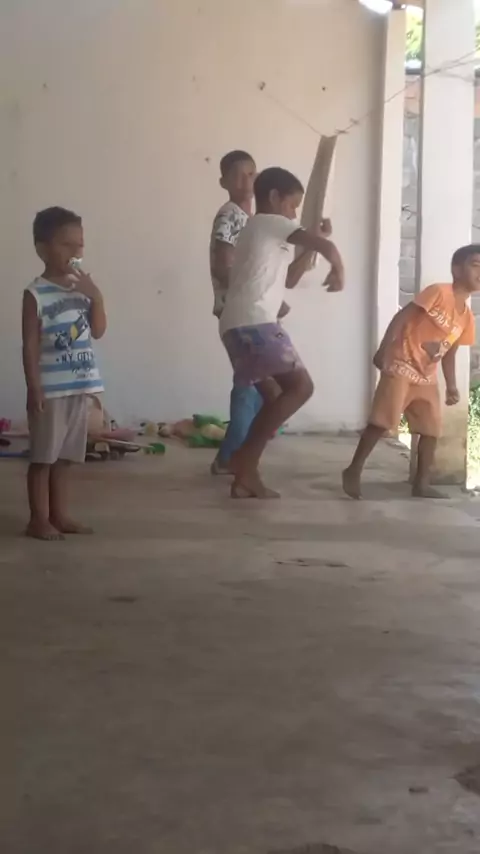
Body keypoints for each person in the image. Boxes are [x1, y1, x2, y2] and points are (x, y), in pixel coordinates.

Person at [219, 166, 345, 498]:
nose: (293, 214)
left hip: (238, 324)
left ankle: (246, 473)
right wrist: (337, 266)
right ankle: (243, 458)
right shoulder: (270, 221)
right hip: (255, 323)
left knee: (275, 396)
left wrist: (314, 244)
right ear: (274, 197)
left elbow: (288, 279)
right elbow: (326, 247)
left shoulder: (263, 230)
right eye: (292, 205)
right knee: (301, 387)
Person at [342, 244, 479, 500]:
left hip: (426, 375)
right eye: (475, 265)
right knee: (382, 421)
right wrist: (384, 348)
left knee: (431, 429)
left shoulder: (467, 318)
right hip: (401, 362)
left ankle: (421, 484)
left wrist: (451, 385)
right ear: (457, 269)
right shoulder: (438, 292)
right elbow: (403, 317)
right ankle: (353, 470)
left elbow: (449, 352)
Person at [22, 206, 107, 540]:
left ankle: (59, 515)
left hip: (79, 386)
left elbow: (98, 331)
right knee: (43, 457)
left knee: (65, 458)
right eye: (66, 244)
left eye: (79, 245)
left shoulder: (82, 290)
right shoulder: (35, 293)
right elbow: (30, 345)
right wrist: (34, 388)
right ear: (42, 249)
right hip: (51, 389)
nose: (75, 252)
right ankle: (38, 519)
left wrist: (96, 297)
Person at [209, 150, 261, 475]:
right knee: (250, 382)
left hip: (250, 309)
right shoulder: (229, 215)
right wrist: (251, 295)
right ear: (224, 182)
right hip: (239, 311)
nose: (246, 181)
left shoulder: (250, 219)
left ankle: (237, 454)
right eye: (238, 175)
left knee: (260, 383)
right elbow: (223, 265)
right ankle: (230, 458)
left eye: (251, 173)